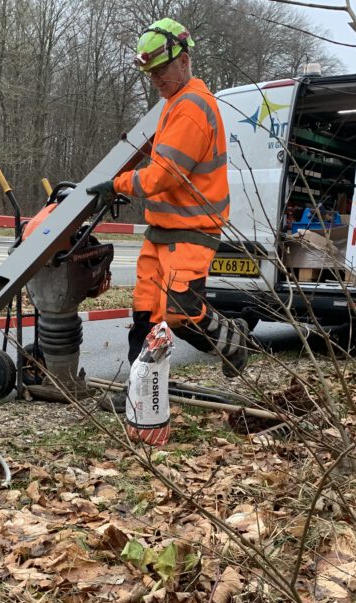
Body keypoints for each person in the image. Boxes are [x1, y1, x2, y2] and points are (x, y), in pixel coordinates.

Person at [87, 18, 251, 412]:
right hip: (162, 230)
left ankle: (235, 340)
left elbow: (163, 175)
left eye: (160, 71)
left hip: (191, 229)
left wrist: (118, 185)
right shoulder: (174, 104)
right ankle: (138, 398)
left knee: (181, 314)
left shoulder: (192, 107)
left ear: (184, 60)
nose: (156, 79)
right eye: (150, 74)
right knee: (146, 315)